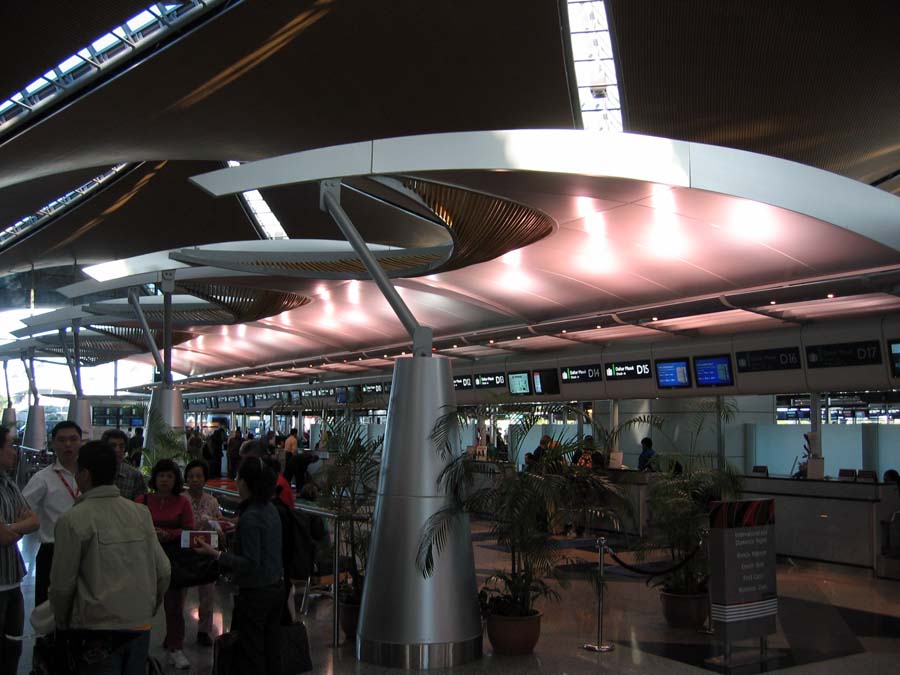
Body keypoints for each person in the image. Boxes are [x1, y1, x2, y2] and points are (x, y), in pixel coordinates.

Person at [49, 441, 170, 675]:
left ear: (84, 474)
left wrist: (63, 622)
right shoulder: (140, 513)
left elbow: (62, 584)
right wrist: (148, 607)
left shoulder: (72, 520)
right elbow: (163, 570)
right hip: (139, 624)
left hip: (95, 630)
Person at [194, 456, 283, 674]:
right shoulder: (270, 509)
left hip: (255, 594)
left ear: (245, 482)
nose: (235, 481)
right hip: (275, 588)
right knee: (271, 648)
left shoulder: (250, 516)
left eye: (237, 477)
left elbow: (250, 563)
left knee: (251, 651)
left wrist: (215, 554)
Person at [136, 460, 194, 670]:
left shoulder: (182, 502)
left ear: (175, 479)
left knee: (174, 605)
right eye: (161, 475)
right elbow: (132, 526)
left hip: (173, 559)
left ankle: (175, 647)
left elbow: (189, 530)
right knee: (141, 604)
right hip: (145, 558)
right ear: (155, 478)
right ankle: (137, 648)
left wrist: (169, 534)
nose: (165, 480)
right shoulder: (142, 500)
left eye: (169, 476)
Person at [23, 420, 83, 607]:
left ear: (81, 442)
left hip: (86, 550)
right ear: (53, 444)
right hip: (53, 551)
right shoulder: (42, 478)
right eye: (62, 440)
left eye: (73, 439)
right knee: (47, 609)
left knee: (83, 607)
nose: (68, 444)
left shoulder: (90, 476)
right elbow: (22, 508)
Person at [0, 426, 39, 675]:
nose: (15, 452)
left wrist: (9, 527)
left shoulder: (8, 484)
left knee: (12, 649)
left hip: (12, 580)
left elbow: (34, 521)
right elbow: (3, 537)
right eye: (10, 446)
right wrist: (14, 528)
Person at [183, 460, 220, 647]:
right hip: (185, 552)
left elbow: (218, 522)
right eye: (191, 476)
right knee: (179, 593)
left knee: (207, 594)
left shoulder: (212, 501)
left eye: (199, 476)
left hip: (206, 553)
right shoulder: (181, 499)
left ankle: (204, 631)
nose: (195, 480)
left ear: (205, 479)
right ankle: (176, 631)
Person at [101, 429, 147, 501]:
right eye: (113, 446)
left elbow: (141, 505)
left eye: (121, 446)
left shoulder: (135, 476)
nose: (117, 450)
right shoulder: (96, 473)